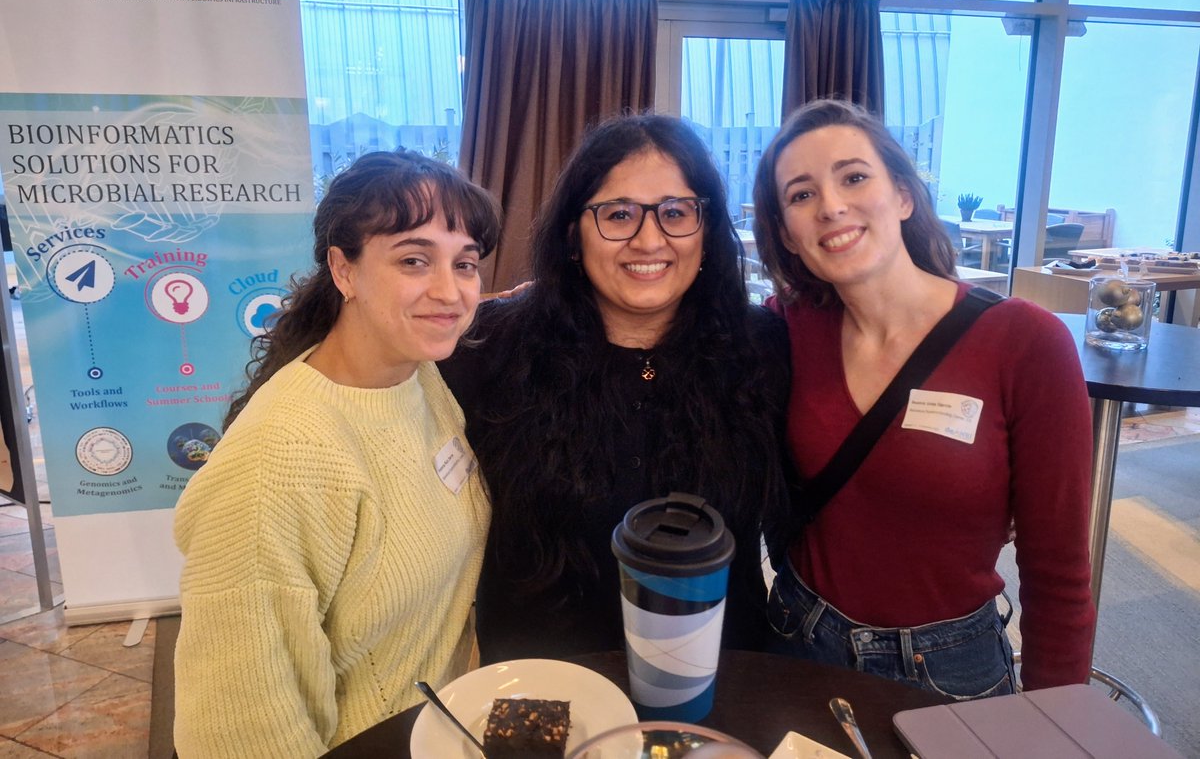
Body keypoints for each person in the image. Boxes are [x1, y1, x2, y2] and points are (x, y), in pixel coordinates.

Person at [752, 99, 1096, 698]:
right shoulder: (788, 327)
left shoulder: (1024, 342)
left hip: (948, 668)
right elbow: (677, 343)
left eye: (854, 177)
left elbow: (1058, 573)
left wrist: (1052, 720)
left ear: (904, 196)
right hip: (797, 642)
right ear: (787, 232)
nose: (832, 205)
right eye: (801, 195)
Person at [173, 151, 500, 757]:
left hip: (447, 728)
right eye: (413, 260)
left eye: (466, 264)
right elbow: (239, 733)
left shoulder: (417, 376)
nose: (450, 291)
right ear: (343, 270)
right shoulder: (278, 464)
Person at [439, 113, 790, 663]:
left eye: (676, 212)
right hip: (545, 688)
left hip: (726, 682)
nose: (649, 240)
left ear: (707, 232)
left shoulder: (763, 348)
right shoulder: (491, 349)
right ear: (574, 236)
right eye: (619, 214)